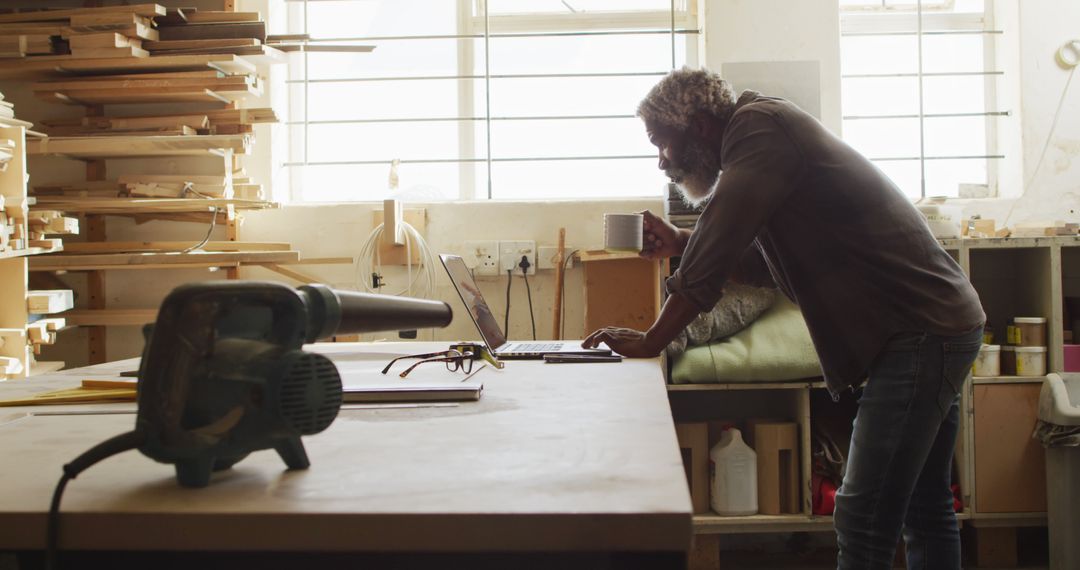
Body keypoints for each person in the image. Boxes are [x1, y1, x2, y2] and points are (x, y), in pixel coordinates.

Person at [581, 68, 985, 570]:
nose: (661, 162)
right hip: (933, 324)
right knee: (924, 508)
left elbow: (714, 254)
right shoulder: (761, 140)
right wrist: (683, 243)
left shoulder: (759, 130)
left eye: (662, 144)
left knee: (861, 513)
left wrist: (651, 340)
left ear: (701, 126)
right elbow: (761, 259)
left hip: (921, 331)